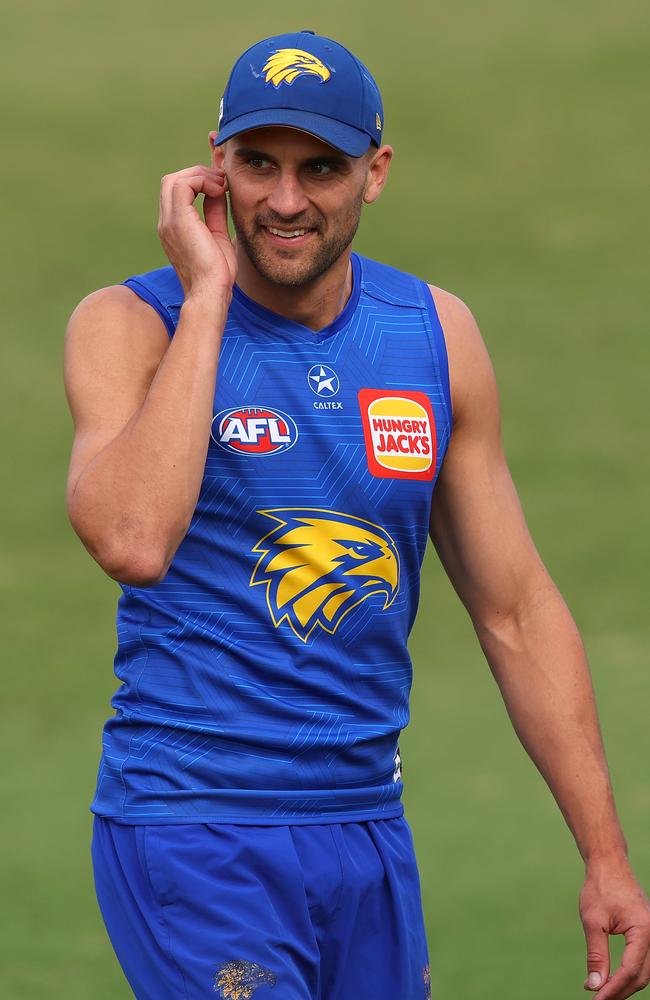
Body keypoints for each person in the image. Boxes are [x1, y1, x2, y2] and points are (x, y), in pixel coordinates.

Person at [63, 29, 650, 1000]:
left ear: (373, 173)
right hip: (192, 827)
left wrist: (603, 853)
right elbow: (131, 539)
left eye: (319, 169)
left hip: (366, 830)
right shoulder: (132, 326)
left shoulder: (432, 336)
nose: (284, 200)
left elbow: (512, 610)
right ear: (214, 162)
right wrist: (207, 302)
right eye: (257, 164)